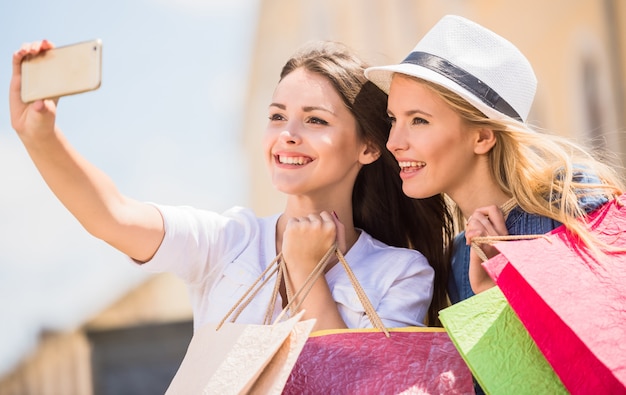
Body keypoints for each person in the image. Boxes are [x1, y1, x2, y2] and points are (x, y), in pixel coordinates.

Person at [10, 39, 453, 332]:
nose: (288, 134)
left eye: (315, 120)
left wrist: (305, 273)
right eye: (277, 115)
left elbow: (351, 385)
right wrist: (40, 136)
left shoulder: (402, 274)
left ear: (369, 148)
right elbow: (113, 216)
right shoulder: (227, 242)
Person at [365, 15, 624, 304]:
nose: (393, 143)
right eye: (393, 120)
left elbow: (607, 326)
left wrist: (498, 290)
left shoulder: (568, 200)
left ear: (482, 137)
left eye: (419, 121)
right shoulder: (459, 258)